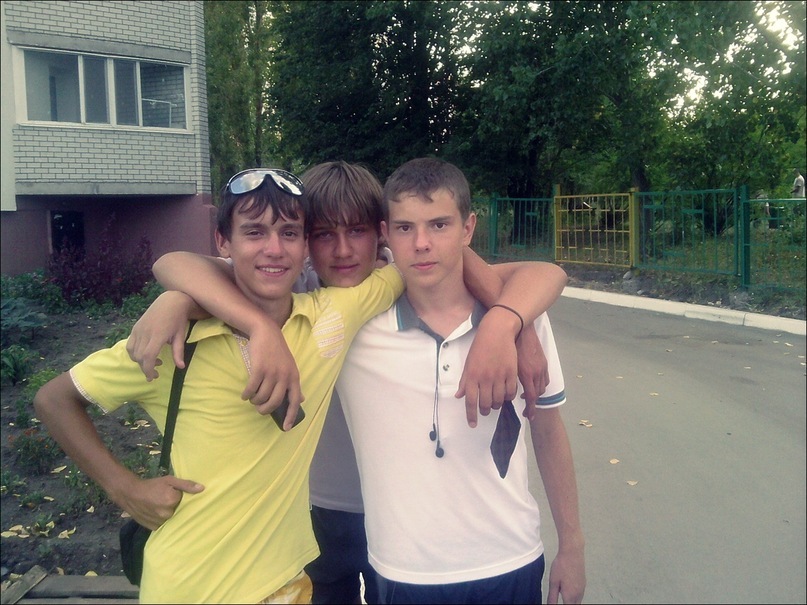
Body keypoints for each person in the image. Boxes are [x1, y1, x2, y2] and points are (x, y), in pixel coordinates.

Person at [126, 161, 570, 604]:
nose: (342, 251)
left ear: (380, 234)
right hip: (318, 509)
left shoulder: (400, 276)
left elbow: (525, 271)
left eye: (357, 231)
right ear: (305, 242)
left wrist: (513, 325)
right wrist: (181, 300)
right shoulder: (295, 293)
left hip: (408, 528)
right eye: (323, 234)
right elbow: (177, 264)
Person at [33, 167, 407, 603]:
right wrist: (125, 488)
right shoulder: (177, 343)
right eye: (254, 232)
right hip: (190, 587)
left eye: (289, 233)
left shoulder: (329, 317)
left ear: (304, 244)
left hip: (285, 583)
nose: (274, 248)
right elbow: (53, 400)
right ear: (222, 243)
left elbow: (421, 261)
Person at [335, 158, 586, 604]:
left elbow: (548, 430)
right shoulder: (352, 326)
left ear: (468, 228)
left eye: (439, 225)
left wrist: (572, 545)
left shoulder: (524, 319)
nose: (422, 243)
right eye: (405, 228)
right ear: (385, 233)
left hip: (510, 560)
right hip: (402, 572)